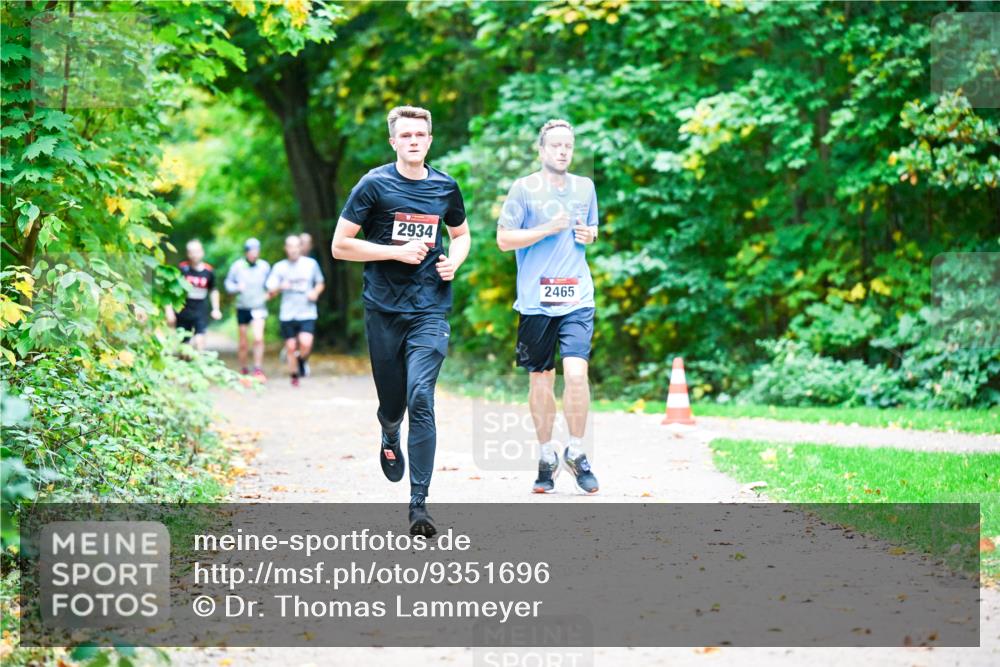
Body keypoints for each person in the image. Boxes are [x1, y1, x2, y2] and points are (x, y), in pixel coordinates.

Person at [331, 105, 471, 537]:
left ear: (430, 140)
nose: (414, 141)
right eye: (406, 135)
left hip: (430, 308)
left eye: (421, 135)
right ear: (393, 141)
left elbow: (460, 234)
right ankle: (389, 432)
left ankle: (419, 506)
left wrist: (455, 264)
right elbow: (340, 246)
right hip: (384, 310)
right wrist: (394, 251)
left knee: (422, 397)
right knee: (394, 405)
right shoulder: (374, 186)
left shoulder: (445, 186)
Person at [496, 118, 600, 495]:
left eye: (568, 146)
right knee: (541, 380)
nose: (562, 151)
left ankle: (576, 450)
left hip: (576, 297)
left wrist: (590, 233)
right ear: (541, 150)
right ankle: (546, 455)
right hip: (535, 302)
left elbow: (591, 229)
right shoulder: (523, 190)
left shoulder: (585, 188)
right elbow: (504, 240)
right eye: (555, 145)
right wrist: (545, 229)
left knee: (575, 375)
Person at [266, 235, 325, 387]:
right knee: (291, 346)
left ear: (301, 247)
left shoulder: (311, 264)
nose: (293, 249)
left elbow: (320, 283)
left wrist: (315, 292)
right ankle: (294, 375)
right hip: (288, 313)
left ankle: (300, 361)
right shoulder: (279, 267)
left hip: (307, 311)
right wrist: (280, 287)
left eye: (296, 246)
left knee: (306, 343)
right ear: (286, 249)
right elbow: (270, 291)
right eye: (290, 246)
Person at [224, 238, 271, 380]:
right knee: (243, 342)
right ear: (246, 252)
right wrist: (236, 288)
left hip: (258, 306)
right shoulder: (237, 266)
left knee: (258, 338)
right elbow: (228, 284)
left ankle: (258, 369)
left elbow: (272, 283)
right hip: (242, 307)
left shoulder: (264, 266)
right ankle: (243, 369)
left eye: (256, 250)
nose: (254, 253)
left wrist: (270, 293)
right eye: (251, 251)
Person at [165, 239, 221, 351]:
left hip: (200, 309)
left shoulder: (208, 271)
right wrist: (169, 311)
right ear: (188, 254)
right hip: (183, 309)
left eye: (197, 251)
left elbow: (213, 290)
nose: (195, 254)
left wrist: (216, 309)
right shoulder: (181, 270)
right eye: (192, 252)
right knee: (184, 345)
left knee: (200, 339)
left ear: (202, 252)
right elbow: (170, 292)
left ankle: (200, 363)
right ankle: (185, 366)